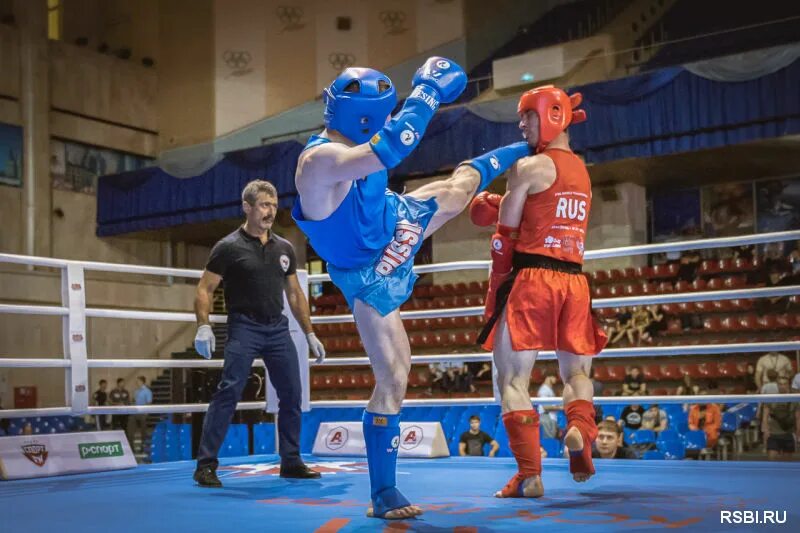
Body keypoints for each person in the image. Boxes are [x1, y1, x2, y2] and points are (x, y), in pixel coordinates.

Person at [292, 57, 534, 519]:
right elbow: (392, 148)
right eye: (381, 114)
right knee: (395, 375)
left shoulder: (361, 139)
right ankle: (383, 494)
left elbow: (386, 151)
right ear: (369, 117)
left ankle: (522, 148)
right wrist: (426, 92)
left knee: (459, 188)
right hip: (368, 271)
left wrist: (529, 151)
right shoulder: (319, 160)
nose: (384, 121)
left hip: (390, 221)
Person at [469, 85, 608, 498]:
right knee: (578, 373)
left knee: (512, 380)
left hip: (532, 280)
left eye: (527, 116)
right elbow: (547, 216)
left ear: (550, 114)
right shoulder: (582, 172)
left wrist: (496, 287)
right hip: (575, 281)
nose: (521, 124)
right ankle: (580, 432)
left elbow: (506, 235)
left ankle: (530, 476)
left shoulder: (529, 168)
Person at [192, 180, 326, 488]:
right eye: (264, 205)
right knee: (228, 391)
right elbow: (205, 288)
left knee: (292, 394)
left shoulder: (284, 248)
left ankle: (291, 461)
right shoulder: (228, 247)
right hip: (244, 326)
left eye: (274, 205)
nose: (270, 211)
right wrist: (203, 324)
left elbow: (294, 293)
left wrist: (309, 333)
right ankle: (205, 465)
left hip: (277, 329)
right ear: (247, 207)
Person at [761, 376, 799, 460]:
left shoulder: (795, 399)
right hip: (773, 434)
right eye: (780, 384)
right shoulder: (771, 398)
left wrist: (798, 434)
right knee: (771, 459)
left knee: (787, 463)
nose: (782, 386)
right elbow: (765, 417)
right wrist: (765, 431)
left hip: (788, 433)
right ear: (777, 385)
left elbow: (798, 418)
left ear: (789, 385)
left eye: (785, 384)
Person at [129, 376, 152, 450]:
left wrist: (145, 413)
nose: (136, 382)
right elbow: (134, 401)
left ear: (142, 381)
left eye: (138, 381)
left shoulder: (147, 391)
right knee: (130, 430)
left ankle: (143, 447)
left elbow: (149, 403)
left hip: (143, 413)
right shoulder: (136, 391)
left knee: (143, 432)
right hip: (135, 412)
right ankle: (131, 447)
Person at [536, 374, 559, 439]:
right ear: (549, 376)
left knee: (551, 440)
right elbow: (545, 407)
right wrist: (560, 407)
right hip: (546, 418)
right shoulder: (544, 389)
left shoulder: (548, 389)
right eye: (555, 377)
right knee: (549, 441)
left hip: (550, 418)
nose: (556, 380)